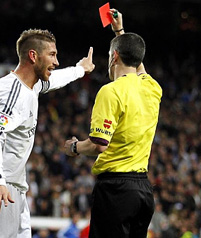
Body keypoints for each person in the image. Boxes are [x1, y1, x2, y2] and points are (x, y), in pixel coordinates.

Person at [0, 28, 95, 238]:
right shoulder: (11, 91)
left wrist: (80, 69)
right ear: (33, 56)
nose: (56, 62)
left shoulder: (31, 87)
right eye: (52, 55)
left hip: (16, 189)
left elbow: (54, 79)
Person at [64, 9, 162, 238]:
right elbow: (138, 65)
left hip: (115, 190)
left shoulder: (110, 91)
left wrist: (74, 147)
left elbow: (99, 145)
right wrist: (119, 31)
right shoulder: (152, 88)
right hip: (143, 191)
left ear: (114, 56)